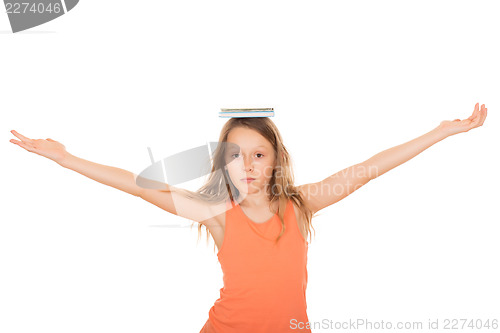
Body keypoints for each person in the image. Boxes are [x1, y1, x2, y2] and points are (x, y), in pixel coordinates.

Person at [9, 103, 488, 332]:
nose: (249, 166)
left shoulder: (301, 205)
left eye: (259, 154)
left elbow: (366, 170)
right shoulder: (214, 212)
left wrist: (441, 132)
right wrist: (65, 157)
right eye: (236, 156)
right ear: (223, 165)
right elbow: (138, 185)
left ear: (276, 158)